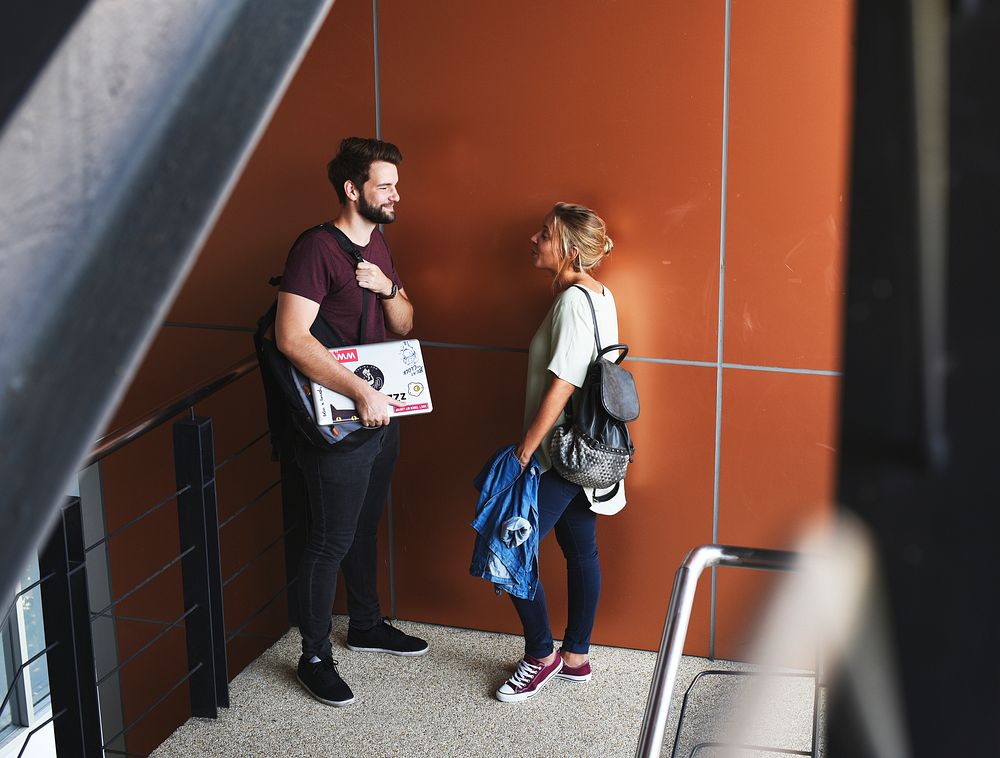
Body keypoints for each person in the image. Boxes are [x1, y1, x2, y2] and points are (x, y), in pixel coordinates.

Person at [275, 137, 428, 708]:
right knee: (328, 541)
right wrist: (360, 390)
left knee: (363, 525)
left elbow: (406, 322)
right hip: (334, 422)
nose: (395, 194)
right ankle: (314, 655)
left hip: (378, 417)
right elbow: (290, 337)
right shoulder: (315, 250)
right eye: (385, 184)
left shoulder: (379, 245)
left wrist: (386, 287)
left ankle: (365, 625)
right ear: (352, 189)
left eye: (394, 184)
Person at [495, 202, 625, 703]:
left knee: (506, 550)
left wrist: (524, 452)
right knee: (580, 550)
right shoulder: (602, 294)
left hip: (558, 455)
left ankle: (540, 655)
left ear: (569, 250)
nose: (534, 238)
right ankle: (576, 656)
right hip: (588, 453)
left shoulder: (573, 301)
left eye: (544, 235)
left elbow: (564, 384)